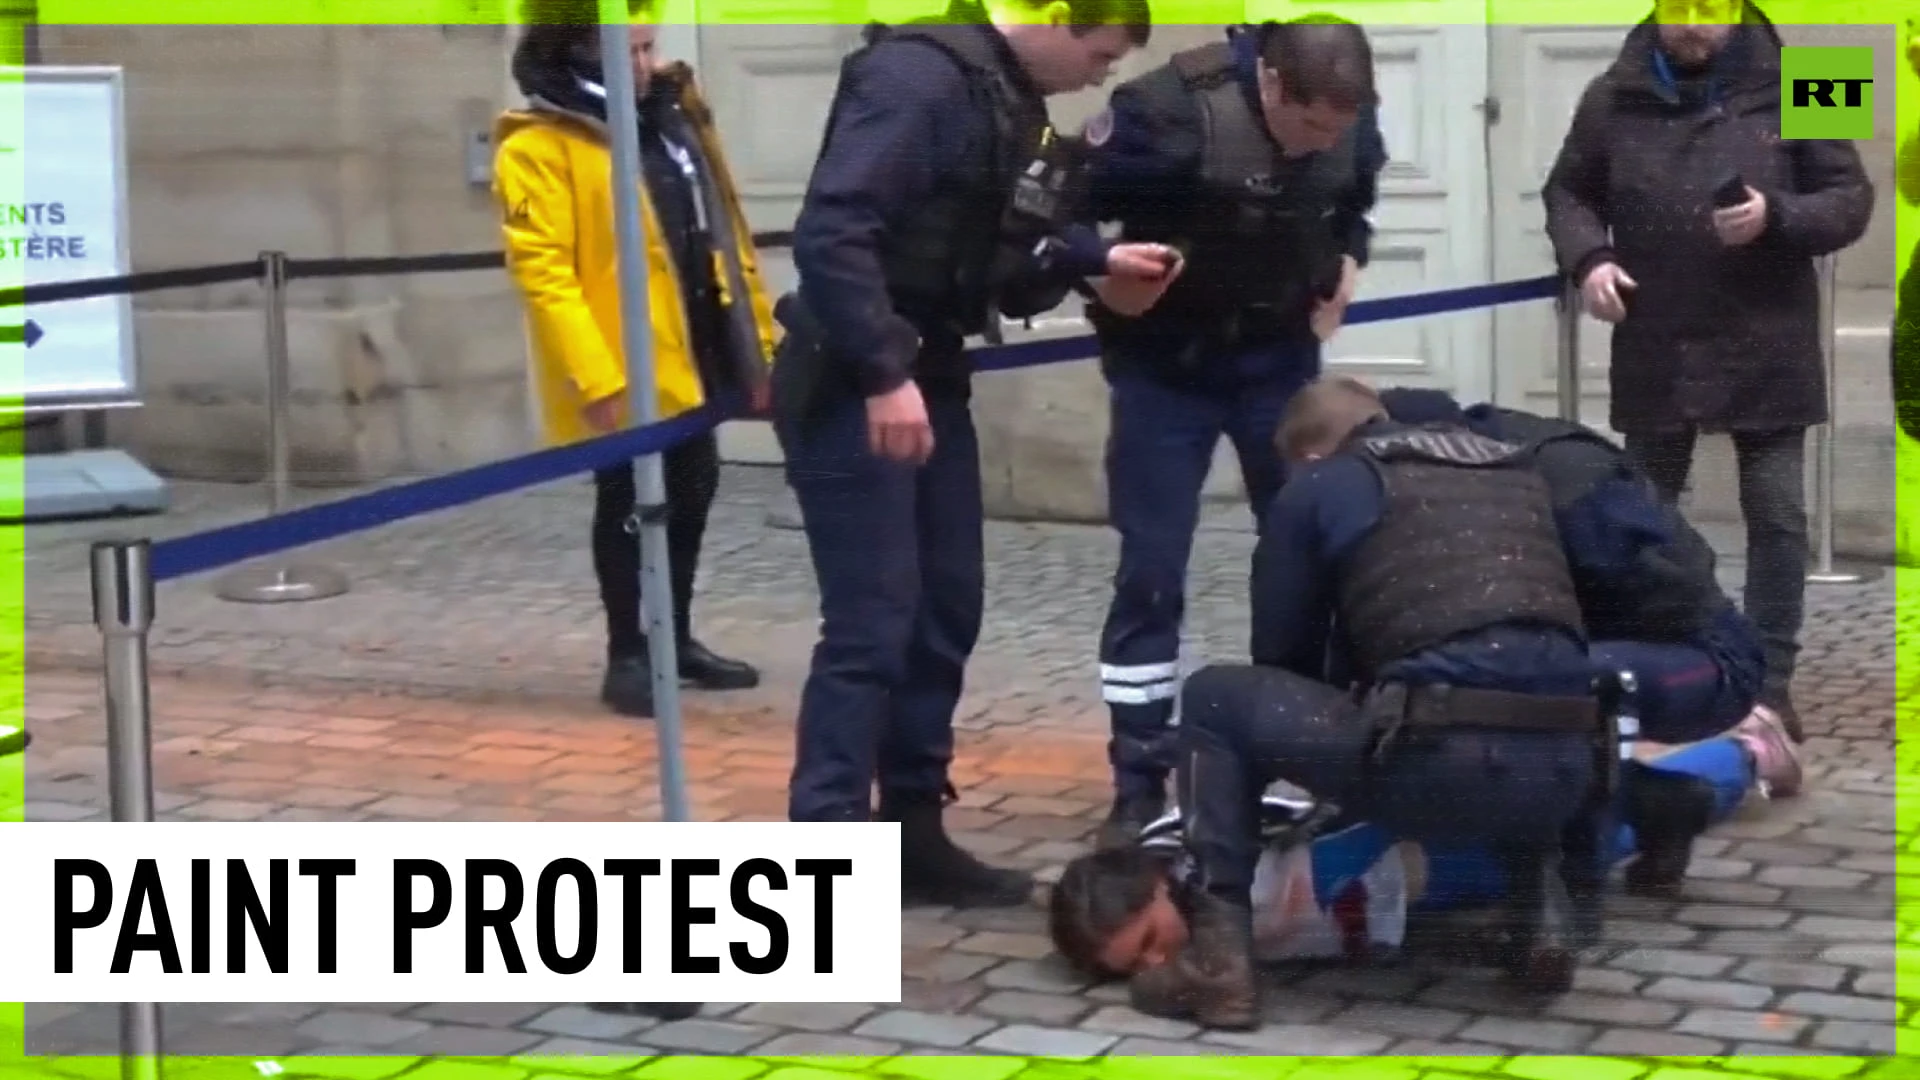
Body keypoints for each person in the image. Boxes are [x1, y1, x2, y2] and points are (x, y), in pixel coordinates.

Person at [774, 0, 1171, 909]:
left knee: (945, 607)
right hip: (852, 378)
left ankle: (911, 830)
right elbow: (835, 230)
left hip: (928, 368)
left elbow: (994, 250)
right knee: (872, 624)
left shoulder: (1005, 94)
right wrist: (881, 371)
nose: (1100, 78)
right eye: (1100, 55)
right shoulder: (920, 77)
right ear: (1061, 18)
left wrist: (1091, 263)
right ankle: (822, 859)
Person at [1129, 375, 1613, 1030]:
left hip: (1439, 758)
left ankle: (1220, 963)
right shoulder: (1514, 470)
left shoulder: (1321, 486)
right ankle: (1537, 915)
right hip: (1571, 769)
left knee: (1214, 699)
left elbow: (1282, 657)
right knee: (1516, 682)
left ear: (1308, 457)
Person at [1080, 15, 1390, 847]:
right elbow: (1066, 217)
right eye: (1309, 125)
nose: (1321, 140)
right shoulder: (1167, 112)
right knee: (1151, 569)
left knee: (1311, 553)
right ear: (1272, 87)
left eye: (1339, 127)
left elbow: (1352, 205)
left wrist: (1348, 266)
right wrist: (1102, 275)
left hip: (1277, 366)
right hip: (1165, 371)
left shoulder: (1350, 119)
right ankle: (1139, 777)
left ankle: (1310, 750)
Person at [1542, 0, 1873, 741]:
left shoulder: (1811, 76)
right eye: (1679, 10)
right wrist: (1591, 258)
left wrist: (1776, 214)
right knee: (1640, 516)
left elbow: (1852, 200)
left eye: (1711, 11)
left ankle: (1770, 683)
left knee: (1779, 514)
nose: (1694, 26)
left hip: (1769, 342)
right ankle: (1658, 673)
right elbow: (1568, 193)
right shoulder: (1609, 94)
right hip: (1659, 338)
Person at [494, 0, 775, 720]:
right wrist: (598, 379)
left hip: (697, 343)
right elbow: (545, 275)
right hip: (626, 363)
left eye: (650, 47)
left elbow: (724, 225)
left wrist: (757, 343)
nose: (647, 66)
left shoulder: (674, 117)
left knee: (693, 490)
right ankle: (628, 650)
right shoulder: (538, 146)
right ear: (581, 51)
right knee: (625, 502)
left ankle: (674, 638)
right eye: (631, 52)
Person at [1050, 717, 1803, 980]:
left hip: (1424, 850)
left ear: (1155, 888)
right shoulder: (1174, 884)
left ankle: (1743, 753)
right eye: (1134, 968)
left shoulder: (1211, 852)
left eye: (1149, 941)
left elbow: (1308, 801)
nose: (1157, 963)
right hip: (1404, 900)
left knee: (1609, 831)